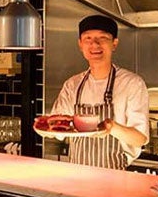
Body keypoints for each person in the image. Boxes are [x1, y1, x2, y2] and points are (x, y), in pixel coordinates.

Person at [51, 15, 150, 170]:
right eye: (88, 38)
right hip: (77, 174)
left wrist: (111, 127)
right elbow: (57, 130)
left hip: (116, 176)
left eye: (102, 38)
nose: (94, 44)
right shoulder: (72, 85)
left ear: (114, 43)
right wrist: (48, 127)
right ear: (80, 44)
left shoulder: (132, 83)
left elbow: (140, 139)